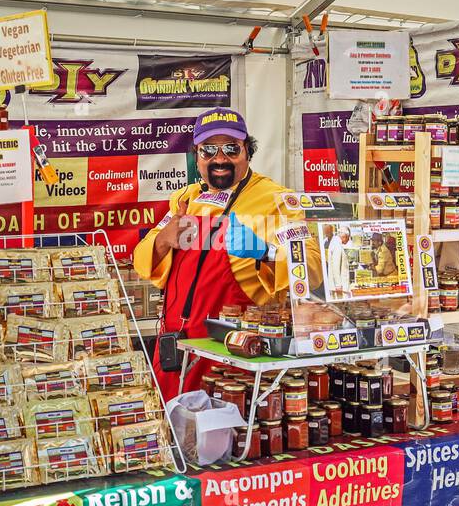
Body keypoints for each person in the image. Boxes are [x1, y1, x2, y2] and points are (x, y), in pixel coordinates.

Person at [134, 108, 320, 400]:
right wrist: (163, 241)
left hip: (234, 354)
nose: (220, 159)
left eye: (231, 148)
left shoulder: (277, 200)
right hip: (178, 349)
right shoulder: (185, 199)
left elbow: (312, 264)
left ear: (248, 151)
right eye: (209, 150)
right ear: (197, 156)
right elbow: (142, 261)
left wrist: (266, 251)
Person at [324, 224, 354, 299]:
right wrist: (338, 285)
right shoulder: (337, 244)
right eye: (348, 238)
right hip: (339, 287)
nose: (348, 241)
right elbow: (335, 266)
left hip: (339, 285)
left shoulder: (335, 242)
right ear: (345, 236)